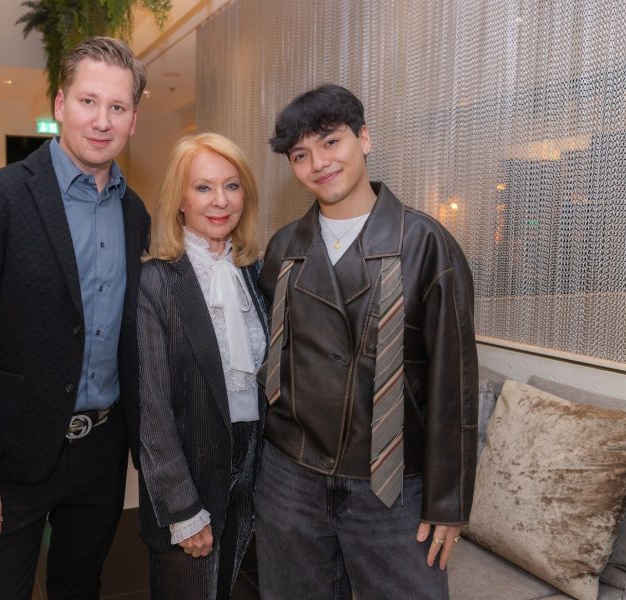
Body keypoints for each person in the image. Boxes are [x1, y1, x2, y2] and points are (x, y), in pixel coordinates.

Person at [0, 36, 151, 600]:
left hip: (102, 452)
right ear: (59, 104)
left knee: (80, 588)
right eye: (88, 101)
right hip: (11, 457)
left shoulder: (135, 213)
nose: (101, 120)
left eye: (117, 107)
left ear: (133, 120)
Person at [255, 84, 479, 599]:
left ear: (364, 138)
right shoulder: (284, 247)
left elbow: (455, 383)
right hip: (291, 477)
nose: (318, 163)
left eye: (331, 142)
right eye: (300, 155)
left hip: (391, 485)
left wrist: (448, 502)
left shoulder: (424, 243)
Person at [137, 133, 268, 599]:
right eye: (203, 187)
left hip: (250, 465)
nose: (220, 201)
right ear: (179, 199)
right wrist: (182, 508)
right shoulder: (158, 279)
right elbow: (152, 409)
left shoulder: (254, 272)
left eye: (232, 186)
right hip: (189, 473)